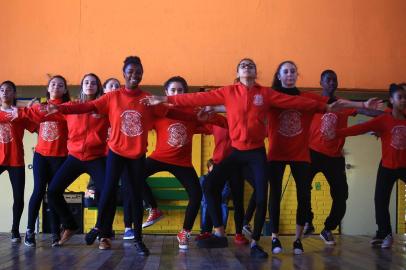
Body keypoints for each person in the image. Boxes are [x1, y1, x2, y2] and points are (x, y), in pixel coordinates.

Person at [140, 58, 330, 258]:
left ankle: (256, 242)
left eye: (251, 65)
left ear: (256, 72)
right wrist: (165, 99)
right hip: (237, 153)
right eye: (243, 65)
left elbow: (296, 101)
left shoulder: (265, 93)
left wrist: (324, 106)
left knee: (261, 196)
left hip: (256, 153)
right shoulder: (228, 92)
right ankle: (219, 231)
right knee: (209, 185)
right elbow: (195, 99)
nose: (247, 67)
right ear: (238, 73)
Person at [45, 56, 173, 255]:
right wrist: (60, 107)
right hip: (115, 152)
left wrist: (195, 112)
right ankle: (99, 229)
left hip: (136, 155)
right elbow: (86, 106)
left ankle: (137, 238)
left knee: (134, 195)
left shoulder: (148, 99)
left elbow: (171, 112)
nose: (134, 75)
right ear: (124, 73)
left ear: (142, 74)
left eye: (138, 71)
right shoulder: (112, 96)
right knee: (107, 191)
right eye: (130, 71)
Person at [267, 61, 382, 255]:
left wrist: (371, 110)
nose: (332, 82)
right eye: (328, 79)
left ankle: (314, 234)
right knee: (290, 193)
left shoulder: (325, 102)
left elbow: (349, 108)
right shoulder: (291, 99)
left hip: (321, 156)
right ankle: (291, 230)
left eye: (293, 71)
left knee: (328, 195)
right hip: (303, 152)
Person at [141, 76, 226, 250]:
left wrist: (212, 116)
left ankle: (185, 232)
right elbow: (142, 122)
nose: (176, 93)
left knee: (196, 194)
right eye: (173, 90)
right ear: (166, 93)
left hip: (183, 163)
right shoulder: (160, 112)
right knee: (133, 175)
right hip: (159, 158)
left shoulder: (193, 112)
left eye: (180, 90)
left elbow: (212, 125)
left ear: (185, 94)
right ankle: (154, 208)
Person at [305, 70, 383, 245]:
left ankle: (328, 229)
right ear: (321, 82)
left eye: (335, 80)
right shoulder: (314, 102)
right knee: (304, 186)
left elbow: (368, 112)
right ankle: (307, 221)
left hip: (334, 157)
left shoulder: (343, 105)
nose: (332, 83)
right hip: (313, 152)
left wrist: (388, 118)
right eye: (328, 80)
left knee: (342, 195)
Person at [335, 83, 406, 249]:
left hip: (404, 165)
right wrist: (337, 134)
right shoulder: (384, 120)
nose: (403, 100)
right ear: (391, 100)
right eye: (400, 97)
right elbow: (360, 128)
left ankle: (382, 233)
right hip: (387, 167)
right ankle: (384, 233)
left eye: (405, 97)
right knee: (380, 200)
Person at [46, 73, 109, 247]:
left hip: (96, 157)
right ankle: (70, 225)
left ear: (98, 87)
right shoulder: (71, 106)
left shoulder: (104, 108)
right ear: (82, 86)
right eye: (86, 82)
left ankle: (103, 235)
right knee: (52, 191)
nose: (90, 85)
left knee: (106, 193)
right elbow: (48, 109)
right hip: (74, 157)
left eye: (93, 83)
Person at [18, 75, 70, 247]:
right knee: (38, 191)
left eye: (60, 85)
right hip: (41, 156)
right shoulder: (39, 107)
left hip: (60, 157)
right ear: (48, 88)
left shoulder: (68, 108)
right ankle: (29, 231)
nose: (56, 86)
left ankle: (55, 233)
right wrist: (29, 106)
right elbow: (25, 118)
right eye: (53, 84)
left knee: (54, 194)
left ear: (65, 90)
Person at [0, 81, 37, 242]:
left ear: (14, 94)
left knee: (18, 197)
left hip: (16, 159)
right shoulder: (12, 112)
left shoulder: (20, 114)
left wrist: (29, 111)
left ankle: (15, 230)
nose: (5, 92)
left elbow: (37, 128)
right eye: (2, 90)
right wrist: (24, 110)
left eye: (8, 90)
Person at [198, 159, 231, 240]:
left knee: (223, 206)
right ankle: (205, 231)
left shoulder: (222, 178)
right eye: (213, 167)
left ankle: (221, 231)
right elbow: (201, 192)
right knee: (206, 205)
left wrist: (216, 198)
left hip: (220, 200)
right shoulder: (204, 178)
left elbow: (226, 190)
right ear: (208, 168)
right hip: (206, 201)